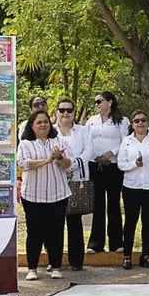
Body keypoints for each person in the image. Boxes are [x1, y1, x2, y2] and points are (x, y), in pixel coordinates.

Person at [16, 110, 73, 281]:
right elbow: (23, 164)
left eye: (46, 122)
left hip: (58, 194)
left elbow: (69, 164)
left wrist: (59, 158)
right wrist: (48, 160)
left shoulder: (59, 141)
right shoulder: (25, 144)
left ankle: (55, 266)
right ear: (32, 126)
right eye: (39, 122)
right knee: (35, 232)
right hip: (33, 195)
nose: (43, 125)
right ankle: (32, 268)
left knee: (55, 231)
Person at [116, 110, 149, 269]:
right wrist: (133, 165)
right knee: (130, 221)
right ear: (132, 124)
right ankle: (127, 256)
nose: (140, 123)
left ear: (147, 122)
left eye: (143, 120)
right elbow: (121, 164)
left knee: (148, 221)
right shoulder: (127, 141)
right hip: (132, 186)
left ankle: (145, 255)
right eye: (136, 121)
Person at [84, 91, 129, 253]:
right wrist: (92, 155)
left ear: (109, 102)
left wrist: (111, 152)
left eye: (99, 102)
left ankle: (116, 242)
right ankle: (96, 243)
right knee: (97, 204)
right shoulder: (91, 121)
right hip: (95, 165)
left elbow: (126, 143)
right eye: (95, 102)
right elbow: (86, 140)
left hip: (113, 166)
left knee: (114, 203)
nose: (97, 105)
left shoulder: (122, 121)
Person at [53, 97, 92, 271]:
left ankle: (77, 261)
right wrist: (61, 163)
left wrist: (71, 163)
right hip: (54, 179)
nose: (66, 113)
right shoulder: (51, 132)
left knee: (74, 221)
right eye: (62, 110)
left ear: (74, 112)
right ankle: (54, 261)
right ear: (56, 112)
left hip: (76, 179)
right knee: (55, 223)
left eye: (69, 110)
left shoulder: (84, 131)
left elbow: (88, 151)